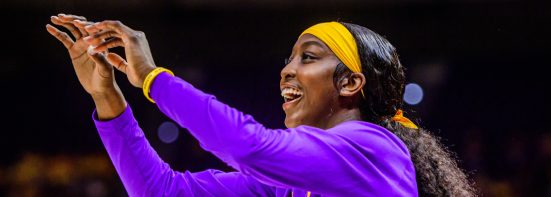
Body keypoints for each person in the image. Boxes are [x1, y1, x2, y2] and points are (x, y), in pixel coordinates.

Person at [46, 13, 475, 196]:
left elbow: (249, 146)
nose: (287, 70)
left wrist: (155, 80)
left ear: (350, 83)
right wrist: (108, 99)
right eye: (288, 59)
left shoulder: (375, 150)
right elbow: (162, 190)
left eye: (308, 57)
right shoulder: (289, 185)